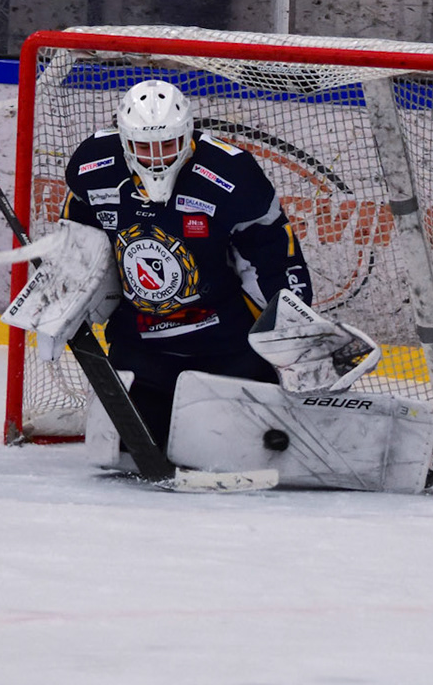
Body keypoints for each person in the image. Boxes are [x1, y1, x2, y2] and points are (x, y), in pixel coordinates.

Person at [42, 79, 315, 449]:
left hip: (226, 350)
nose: (157, 158)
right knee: (125, 449)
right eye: (144, 147)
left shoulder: (232, 176)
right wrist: (60, 303)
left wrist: (292, 332)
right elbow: (78, 248)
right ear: (124, 140)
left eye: (168, 144)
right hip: (140, 349)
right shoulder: (94, 168)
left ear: (188, 134)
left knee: (233, 446)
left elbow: (273, 259)